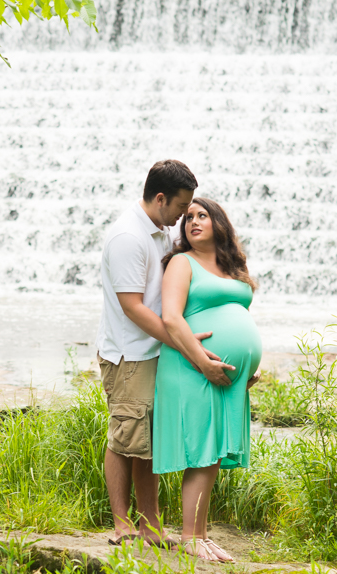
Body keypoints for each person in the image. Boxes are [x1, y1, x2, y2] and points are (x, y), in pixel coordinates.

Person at [96, 161, 235, 547]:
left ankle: (151, 526)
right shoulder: (128, 237)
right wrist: (185, 344)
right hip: (130, 355)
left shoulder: (156, 232)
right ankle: (122, 526)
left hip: (154, 352)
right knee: (125, 437)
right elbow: (133, 307)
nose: (181, 219)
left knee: (146, 443)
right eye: (180, 208)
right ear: (161, 199)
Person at [153, 197, 262, 562]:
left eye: (202, 216)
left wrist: (249, 363)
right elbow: (171, 318)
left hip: (223, 373)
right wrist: (203, 363)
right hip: (191, 366)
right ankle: (190, 536)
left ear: (219, 222)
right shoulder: (181, 263)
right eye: (187, 218)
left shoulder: (231, 267)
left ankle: (198, 534)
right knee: (201, 450)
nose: (193, 222)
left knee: (212, 453)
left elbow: (237, 314)